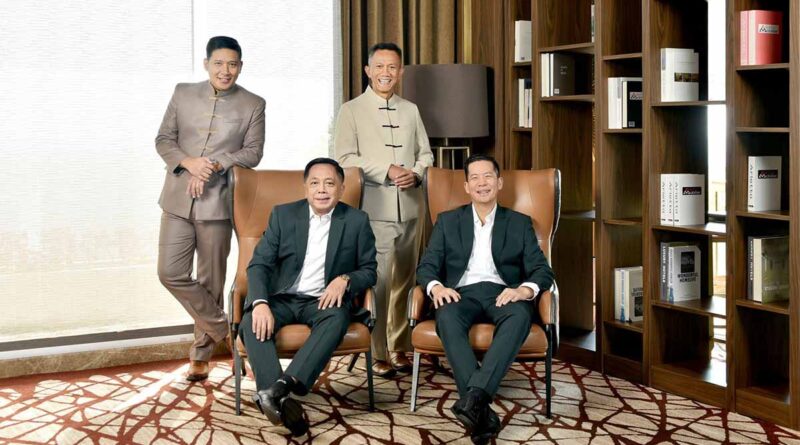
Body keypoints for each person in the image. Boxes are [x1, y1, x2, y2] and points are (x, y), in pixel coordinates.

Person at [415, 154, 555, 444]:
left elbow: (542, 270)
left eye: (488, 176)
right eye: (475, 178)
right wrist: (437, 288)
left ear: (499, 182)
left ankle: (473, 399)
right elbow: (426, 267)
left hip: (503, 292)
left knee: (519, 315)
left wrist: (524, 290)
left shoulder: (519, 223)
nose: (482, 183)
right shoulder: (447, 221)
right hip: (459, 293)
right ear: (467, 186)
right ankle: (481, 409)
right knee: (447, 316)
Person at [241, 158, 377, 437]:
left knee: (337, 317)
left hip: (322, 302)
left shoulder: (356, 221)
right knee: (251, 322)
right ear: (305, 188)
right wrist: (260, 303)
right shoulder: (283, 215)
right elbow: (259, 265)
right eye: (314, 183)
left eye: (329, 183)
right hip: (282, 297)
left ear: (341, 188)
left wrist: (345, 279)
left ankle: (281, 388)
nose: (321, 189)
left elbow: (369, 270)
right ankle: (279, 400)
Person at [156, 36, 265, 382]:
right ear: (206, 64)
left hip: (218, 203)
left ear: (240, 67)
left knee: (211, 281)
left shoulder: (253, 104)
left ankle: (201, 354)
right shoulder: (182, 93)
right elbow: (164, 140)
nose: (225, 70)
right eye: (218, 63)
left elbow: (253, 152)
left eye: (232, 64)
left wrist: (214, 164)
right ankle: (229, 334)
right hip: (176, 199)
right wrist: (189, 162)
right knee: (170, 272)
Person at [334, 42, 434, 377]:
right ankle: (377, 352)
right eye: (379, 66)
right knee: (378, 282)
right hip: (374, 207)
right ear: (368, 70)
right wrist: (386, 169)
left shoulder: (411, 109)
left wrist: (416, 173)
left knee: (406, 279)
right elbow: (344, 158)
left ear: (400, 72)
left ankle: (399, 346)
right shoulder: (351, 110)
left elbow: (426, 153)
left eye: (392, 67)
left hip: (412, 206)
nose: (385, 73)